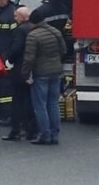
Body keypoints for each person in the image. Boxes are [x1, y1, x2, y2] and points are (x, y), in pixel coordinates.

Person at [21, 10, 67, 145]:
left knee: (40, 105)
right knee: (53, 104)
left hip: (40, 74)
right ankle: (55, 135)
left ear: (32, 22)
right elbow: (63, 50)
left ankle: (44, 135)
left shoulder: (33, 36)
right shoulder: (55, 32)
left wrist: (25, 74)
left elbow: (29, 58)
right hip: (56, 72)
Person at [2, 6, 37, 141]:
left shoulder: (20, 30)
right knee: (30, 101)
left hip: (19, 70)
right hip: (31, 69)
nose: (14, 19)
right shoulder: (33, 29)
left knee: (17, 102)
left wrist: (8, 59)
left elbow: (15, 49)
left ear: (22, 17)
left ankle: (15, 131)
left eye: (16, 16)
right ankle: (31, 130)